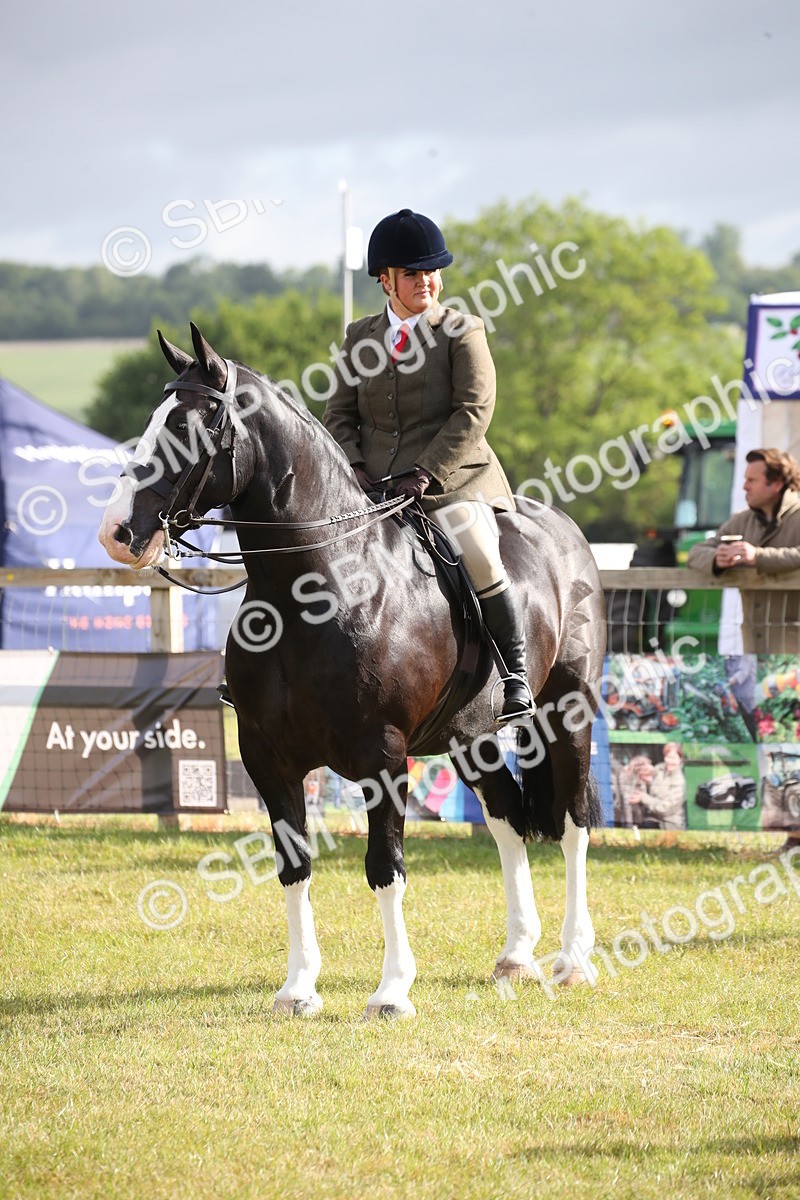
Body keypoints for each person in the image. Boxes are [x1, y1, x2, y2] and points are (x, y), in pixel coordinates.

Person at [323, 208, 533, 721]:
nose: (427, 282)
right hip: (371, 489)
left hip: (452, 483)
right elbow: (338, 414)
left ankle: (516, 676)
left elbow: (474, 411)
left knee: (479, 552)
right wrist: (353, 466)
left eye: (432, 271)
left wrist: (427, 471)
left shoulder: (462, 330)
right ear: (386, 280)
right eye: (414, 273)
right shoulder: (360, 337)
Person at [686, 448, 800, 654]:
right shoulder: (742, 520)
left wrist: (757, 556)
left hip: (794, 652)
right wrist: (716, 558)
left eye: (751, 480)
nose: (744, 486)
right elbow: (696, 552)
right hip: (754, 648)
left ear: (776, 484)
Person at [643, 742, 687, 830]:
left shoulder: (679, 781)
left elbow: (664, 809)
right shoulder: (659, 769)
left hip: (670, 824)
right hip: (653, 818)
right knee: (637, 832)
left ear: (681, 759)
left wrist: (643, 798)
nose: (670, 761)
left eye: (673, 758)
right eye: (668, 757)